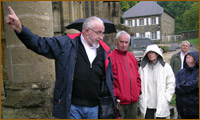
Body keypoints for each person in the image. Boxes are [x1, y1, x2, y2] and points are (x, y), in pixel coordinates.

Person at [6, 6, 117, 119]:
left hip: (94, 108)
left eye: (102, 33)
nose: (101, 37)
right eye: (98, 33)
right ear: (87, 31)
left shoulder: (104, 52)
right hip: (72, 107)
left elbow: (109, 79)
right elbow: (39, 44)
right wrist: (20, 29)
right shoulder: (66, 44)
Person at [110, 31, 141, 119]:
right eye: (121, 42)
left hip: (133, 102)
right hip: (119, 103)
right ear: (116, 42)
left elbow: (137, 77)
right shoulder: (111, 57)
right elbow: (108, 80)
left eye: (126, 42)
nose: (124, 45)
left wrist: (137, 91)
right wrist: (116, 94)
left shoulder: (132, 58)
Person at [139, 44, 175, 119]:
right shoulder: (142, 68)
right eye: (148, 52)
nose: (150, 54)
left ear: (157, 53)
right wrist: (140, 96)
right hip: (147, 103)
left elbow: (171, 83)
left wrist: (167, 97)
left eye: (153, 52)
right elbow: (139, 83)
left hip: (161, 101)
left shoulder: (166, 67)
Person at [175, 51, 199, 119]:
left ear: (196, 59)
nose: (187, 56)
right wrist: (189, 87)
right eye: (187, 55)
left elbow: (197, 83)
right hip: (182, 108)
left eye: (190, 55)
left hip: (195, 108)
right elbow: (176, 87)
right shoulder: (180, 72)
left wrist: (182, 85)